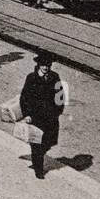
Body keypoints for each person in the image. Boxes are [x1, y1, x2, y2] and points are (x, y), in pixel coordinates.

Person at [19, 51, 64, 180]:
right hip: (35, 117)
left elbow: (60, 96)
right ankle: (39, 170)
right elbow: (24, 97)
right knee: (36, 144)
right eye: (43, 65)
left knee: (48, 143)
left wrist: (58, 111)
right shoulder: (31, 78)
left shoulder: (55, 77)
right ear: (38, 65)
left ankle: (37, 159)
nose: (46, 67)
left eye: (48, 65)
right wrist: (27, 114)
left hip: (50, 117)